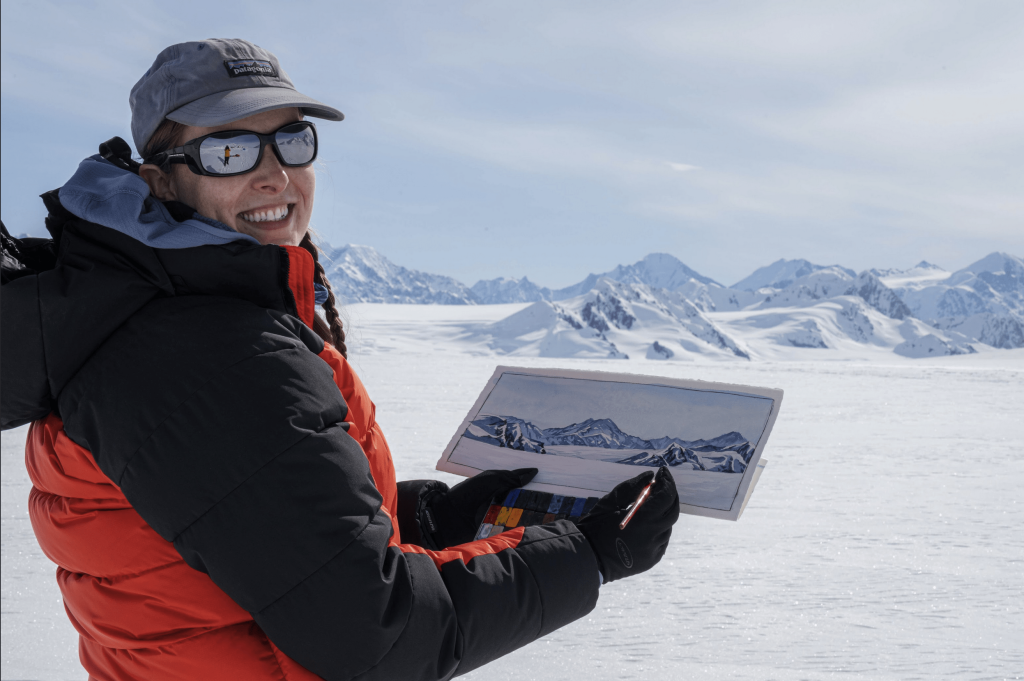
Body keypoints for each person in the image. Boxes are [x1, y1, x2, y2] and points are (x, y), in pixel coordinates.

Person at [0, 39, 679, 680]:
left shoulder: (148, 311)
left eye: (291, 140)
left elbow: (250, 528)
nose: (274, 172)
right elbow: (374, 634)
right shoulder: (209, 354)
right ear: (162, 182)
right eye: (229, 150)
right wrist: (587, 555)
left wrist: (426, 520)